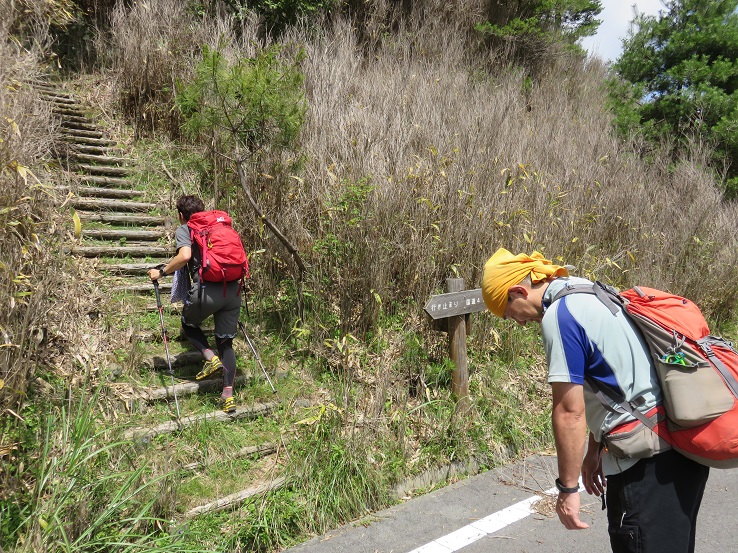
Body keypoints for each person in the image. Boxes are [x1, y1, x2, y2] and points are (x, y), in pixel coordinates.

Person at [481, 247, 709, 553]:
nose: (519, 323)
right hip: (681, 452)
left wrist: (567, 489)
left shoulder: (560, 317)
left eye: (510, 313)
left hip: (644, 465)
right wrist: (595, 448)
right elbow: (614, 380)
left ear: (519, 291)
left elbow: (568, 412)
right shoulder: (595, 291)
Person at [148, 195, 242, 413]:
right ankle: (228, 396)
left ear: (181, 215)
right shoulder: (218, 226)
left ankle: (210, 358)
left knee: (188, 324)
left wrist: (161, 272)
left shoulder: (186, 228)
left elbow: (185, 255)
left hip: (207, 290)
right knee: (226, 342)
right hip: (233, 289)